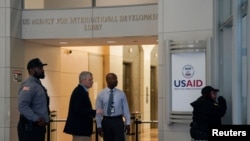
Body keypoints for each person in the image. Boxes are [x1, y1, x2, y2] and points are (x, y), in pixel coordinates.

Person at [17, 58, 50, 141]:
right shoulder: (29, 85)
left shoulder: (37, 85)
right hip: (30, 128)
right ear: (31, 70)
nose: (42, 70)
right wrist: (37, 118)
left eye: (42, 68)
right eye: (39, 68)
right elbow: (22, 105)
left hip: (37, 128)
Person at [95, 72, 131, 141]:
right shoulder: (101, 94)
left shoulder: (121, 94)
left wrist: (128, 123)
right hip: (106, 122)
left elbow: (126, 110)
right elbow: (98, 111)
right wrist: (99, 125)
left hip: (118, 121)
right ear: (108, 81)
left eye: (116, 79)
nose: (116, 80)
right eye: (114, 79)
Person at [64, 71, 97, 141]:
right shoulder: (79, 92)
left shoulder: (81, 91)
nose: (92, 82)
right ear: (83, 80)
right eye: (90, 80)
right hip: (80, 129)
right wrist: (95, 112)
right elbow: (79, 110)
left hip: (81, 129)